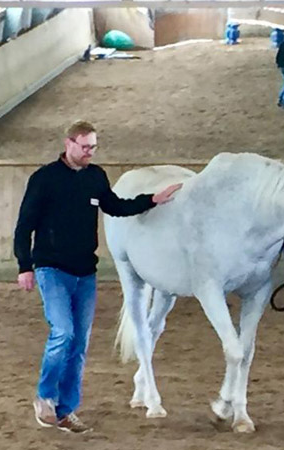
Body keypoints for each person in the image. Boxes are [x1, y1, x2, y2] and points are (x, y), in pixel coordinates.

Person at [14, 120, 182, 433]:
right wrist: (25, 265)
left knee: (79, 344)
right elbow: (25, 225)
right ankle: (45, 396)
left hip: (85, 272)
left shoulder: (95, 177)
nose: (91, 151)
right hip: (51, 269)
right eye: (86, 146)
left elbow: (115, 206)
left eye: (94, 146)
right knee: (62, 332)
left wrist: (151, 200)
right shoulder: (44, 179)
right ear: (69, 144)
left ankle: (66, 410)